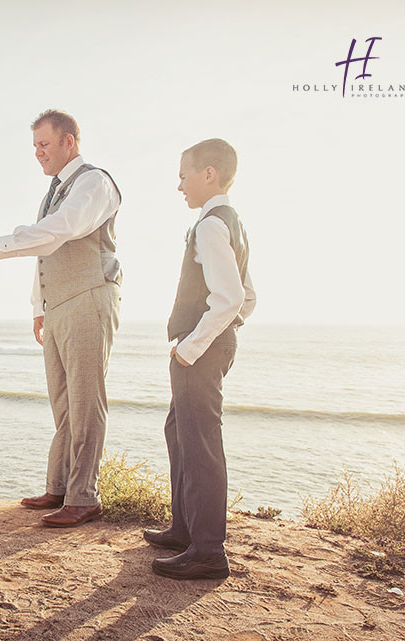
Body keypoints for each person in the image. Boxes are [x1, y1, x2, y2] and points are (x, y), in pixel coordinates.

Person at [0, 109, 122, 528]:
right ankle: (60, 487)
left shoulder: (94, 182)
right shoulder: (54, 190)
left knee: (87, 401)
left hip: (90, 296)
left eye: (44, 144)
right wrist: (39, 307)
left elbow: (62, 229)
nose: (37, 153)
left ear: (69, 141)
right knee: (63, 402)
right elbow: (45, 248)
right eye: (34, 146)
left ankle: (84, 496)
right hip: (59, 306)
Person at [145, 138, 255, 580]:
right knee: (180, 432)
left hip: (199, 351)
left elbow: (229, 297)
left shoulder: (211, 225)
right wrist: (228, 330)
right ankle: (185, 529)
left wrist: (192, 347)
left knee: (201, 445)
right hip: (209, 346)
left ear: (209, 174)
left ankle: (208, 552)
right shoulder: (229, 221)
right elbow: (248, 295)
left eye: (184, 174)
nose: (179, 185)